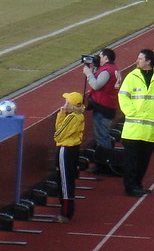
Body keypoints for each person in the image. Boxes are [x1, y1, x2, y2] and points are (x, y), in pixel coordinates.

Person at [119, 48, 154, 197]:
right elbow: (123, 96)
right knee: (130, 161)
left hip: (149, 129)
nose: (137, 61)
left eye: (140, 59)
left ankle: (138, 184)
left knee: (143, 161)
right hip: (133, 129)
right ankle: (130, 187)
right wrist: (131, 112)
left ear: (148, 61)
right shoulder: (131, 77)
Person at [53, 91, 85, 223]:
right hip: (73, 149)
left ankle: (66, 213)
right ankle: (66, 210)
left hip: (66, 149)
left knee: (65, 181)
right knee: (67, 180)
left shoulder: (72, 117)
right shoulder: (79, 116)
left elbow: (58, 135)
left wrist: (61, 115)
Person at [83, 48, 120, 155]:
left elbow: (96, 85)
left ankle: (105, 162)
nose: (98, 58)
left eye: (100, 56)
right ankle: (105, 160)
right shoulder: (113, 69)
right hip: (109, 106)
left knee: (102, 136)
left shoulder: (107, 70)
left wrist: (88, 73)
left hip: (103, 107)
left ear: (106, 57)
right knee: (103, 135)